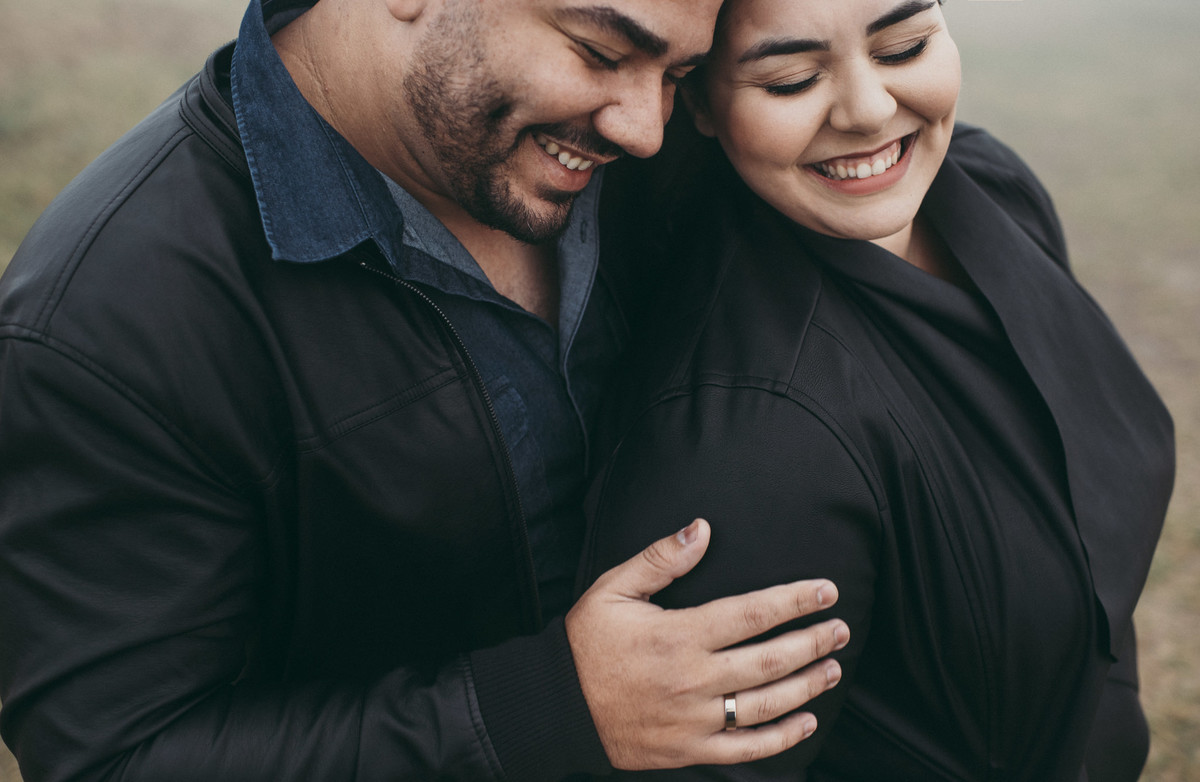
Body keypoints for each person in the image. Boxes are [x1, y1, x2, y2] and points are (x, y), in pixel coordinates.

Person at [0, 0, 853, 780]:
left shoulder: (652, 151)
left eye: (676, 74)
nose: (645, 130)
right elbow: (117, 758)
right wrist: (546, 711)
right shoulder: (104, 321)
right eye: (599, 52)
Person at [578, 0, 1175, 779]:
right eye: (792, 80)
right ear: (698, 100)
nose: (866, 110)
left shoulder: (991, 184)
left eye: (904, 47)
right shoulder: (754, 439)